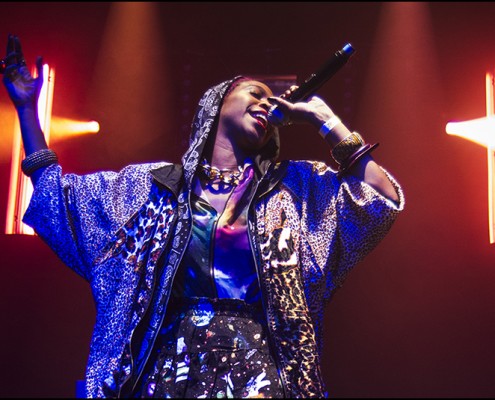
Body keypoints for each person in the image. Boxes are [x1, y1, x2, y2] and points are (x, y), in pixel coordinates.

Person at [2, 33, 404, 398]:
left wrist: (326, 121)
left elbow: (378, 200)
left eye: (272, 99)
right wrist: (25, 111)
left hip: (259, 371)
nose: (266, 101)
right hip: (167, 370)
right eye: (254, 92)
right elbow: (59, 201)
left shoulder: (294, 188)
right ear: (215, 104)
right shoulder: (153, 186)